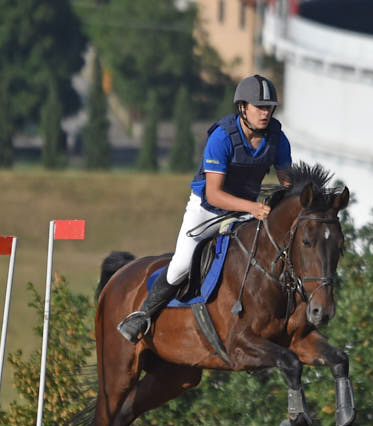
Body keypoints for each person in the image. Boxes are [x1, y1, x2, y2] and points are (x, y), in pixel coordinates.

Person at [117, 74, 293, 343]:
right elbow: (215, 194)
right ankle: (142, 315)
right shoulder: (222, 137)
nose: (265, 113)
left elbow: (287, 183)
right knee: (181, 265)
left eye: (269, 107)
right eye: (259, 107)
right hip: (207, 210)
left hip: (245, 212)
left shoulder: (277, 139)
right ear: (242, 107)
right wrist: (253, 207)